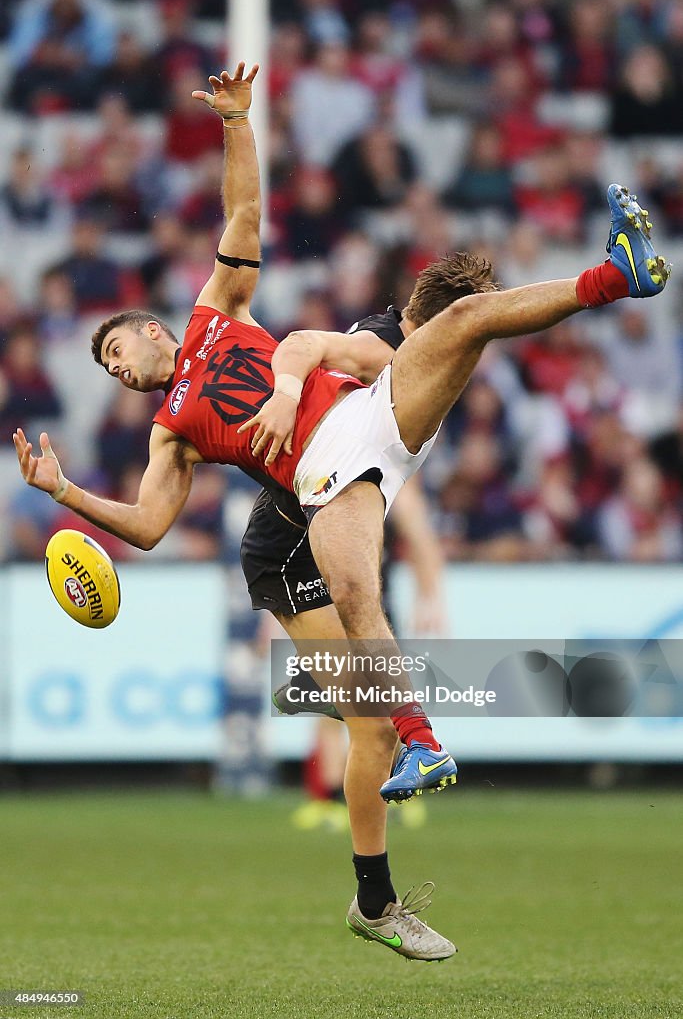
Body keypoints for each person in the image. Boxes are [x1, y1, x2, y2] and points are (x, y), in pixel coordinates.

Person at [13, 63, 671, 960]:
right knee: (362, 652)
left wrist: (237, 123)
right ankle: (410, 778)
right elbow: (150, 526)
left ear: (155, 329)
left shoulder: (215, 313)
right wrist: (66, 498)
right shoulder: (171, 432)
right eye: (106, 368)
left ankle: (616, 276)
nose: (116, 368)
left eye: (117, 348)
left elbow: (242, 220)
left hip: (366, 435)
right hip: (295, 522)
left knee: (466, 315)